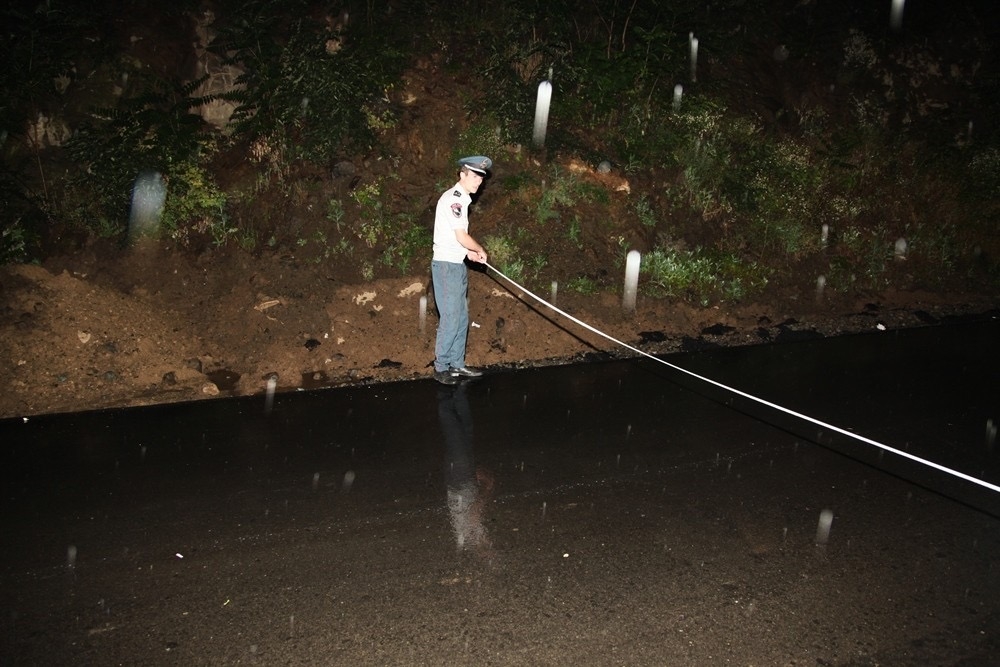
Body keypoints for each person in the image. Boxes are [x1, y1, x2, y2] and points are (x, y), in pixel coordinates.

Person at [432, 155, 492, 385]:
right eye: (475, 176)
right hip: (446, 267)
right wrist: (479, 248)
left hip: (456, 264)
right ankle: (441, 367)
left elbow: (452, 238)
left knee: (461, 318)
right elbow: (461, 236)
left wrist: (469, 253)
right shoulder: (454, 199)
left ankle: (457, 364)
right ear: (462, 175)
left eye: (481, 178)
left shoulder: (462, 200)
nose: (479, 181)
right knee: (450, 318)